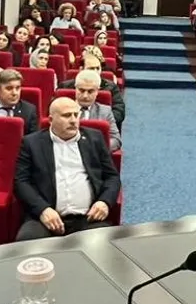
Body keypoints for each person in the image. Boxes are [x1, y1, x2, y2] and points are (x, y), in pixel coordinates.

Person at [14, 97, 119, 241]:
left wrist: (104, 202)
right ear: (51, 120)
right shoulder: (32, 143)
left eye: (76, 115)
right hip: (45, 217)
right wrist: (43, 210)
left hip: (88, 218)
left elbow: (112, 176)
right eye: (67, 115)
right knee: (27, 242)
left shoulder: (95, 139)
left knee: (104, 244)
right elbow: (21, 181)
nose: (73, 120)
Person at [60, 51, 125, 125]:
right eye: (91, 68)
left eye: (98, 68)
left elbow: (119, 112)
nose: (95, 72)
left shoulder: (111, 87)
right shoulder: (65, 86)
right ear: (81, 69)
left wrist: (98, 121)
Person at [0, 70, 39, 135]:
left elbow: (33, 139)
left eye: (17, 88)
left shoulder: (29, 111)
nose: (15, 93)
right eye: (9, 88)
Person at [72, 71, 120, 152]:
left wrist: (99, 148)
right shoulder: (63, 108)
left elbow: (116, 139)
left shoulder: (105, 111)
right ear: (75, 88)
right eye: (81, 90)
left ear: (97, 91)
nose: (85, 96)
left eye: (90, 91)